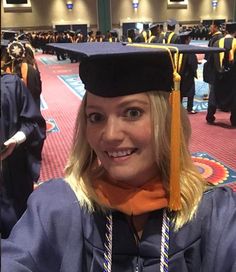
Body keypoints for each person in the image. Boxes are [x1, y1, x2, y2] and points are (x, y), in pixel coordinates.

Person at [1, 43, 235, 271]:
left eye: (132, 113)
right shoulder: (56, 207)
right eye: (96, 117)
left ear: (168, 119)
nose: (110, 135)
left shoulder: (216, 214)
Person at [0, 72, 46, 238]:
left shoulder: (11, 85)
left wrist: (17, 139)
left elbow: (33, 123)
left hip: (11, 173)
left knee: (18, 230)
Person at [212, 22, 236, 127]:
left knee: (214, 95)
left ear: (225, 31)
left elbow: (211, 60)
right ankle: (234, 120)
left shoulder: (217, 43)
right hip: (233, 77)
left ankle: (210, 115)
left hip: (218, 75)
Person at [203, 20, 223, 120]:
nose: (210, 28)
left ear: (215, 27)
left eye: (211, 26)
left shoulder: (218, 38)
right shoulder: (215, 37)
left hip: (214, 64)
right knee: (211, 82)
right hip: (211, 64)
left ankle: (214, 100)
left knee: (213, 83)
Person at [178, 30, 198, 114]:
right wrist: (194, 71)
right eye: (189, 38)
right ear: (186, 40)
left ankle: (178, 108)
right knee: (190, 92)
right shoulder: (189, 50)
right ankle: (189, 108)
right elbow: (192, 64)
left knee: (180, 92)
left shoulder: (177, 49)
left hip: (179, 75)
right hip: (188, 75)